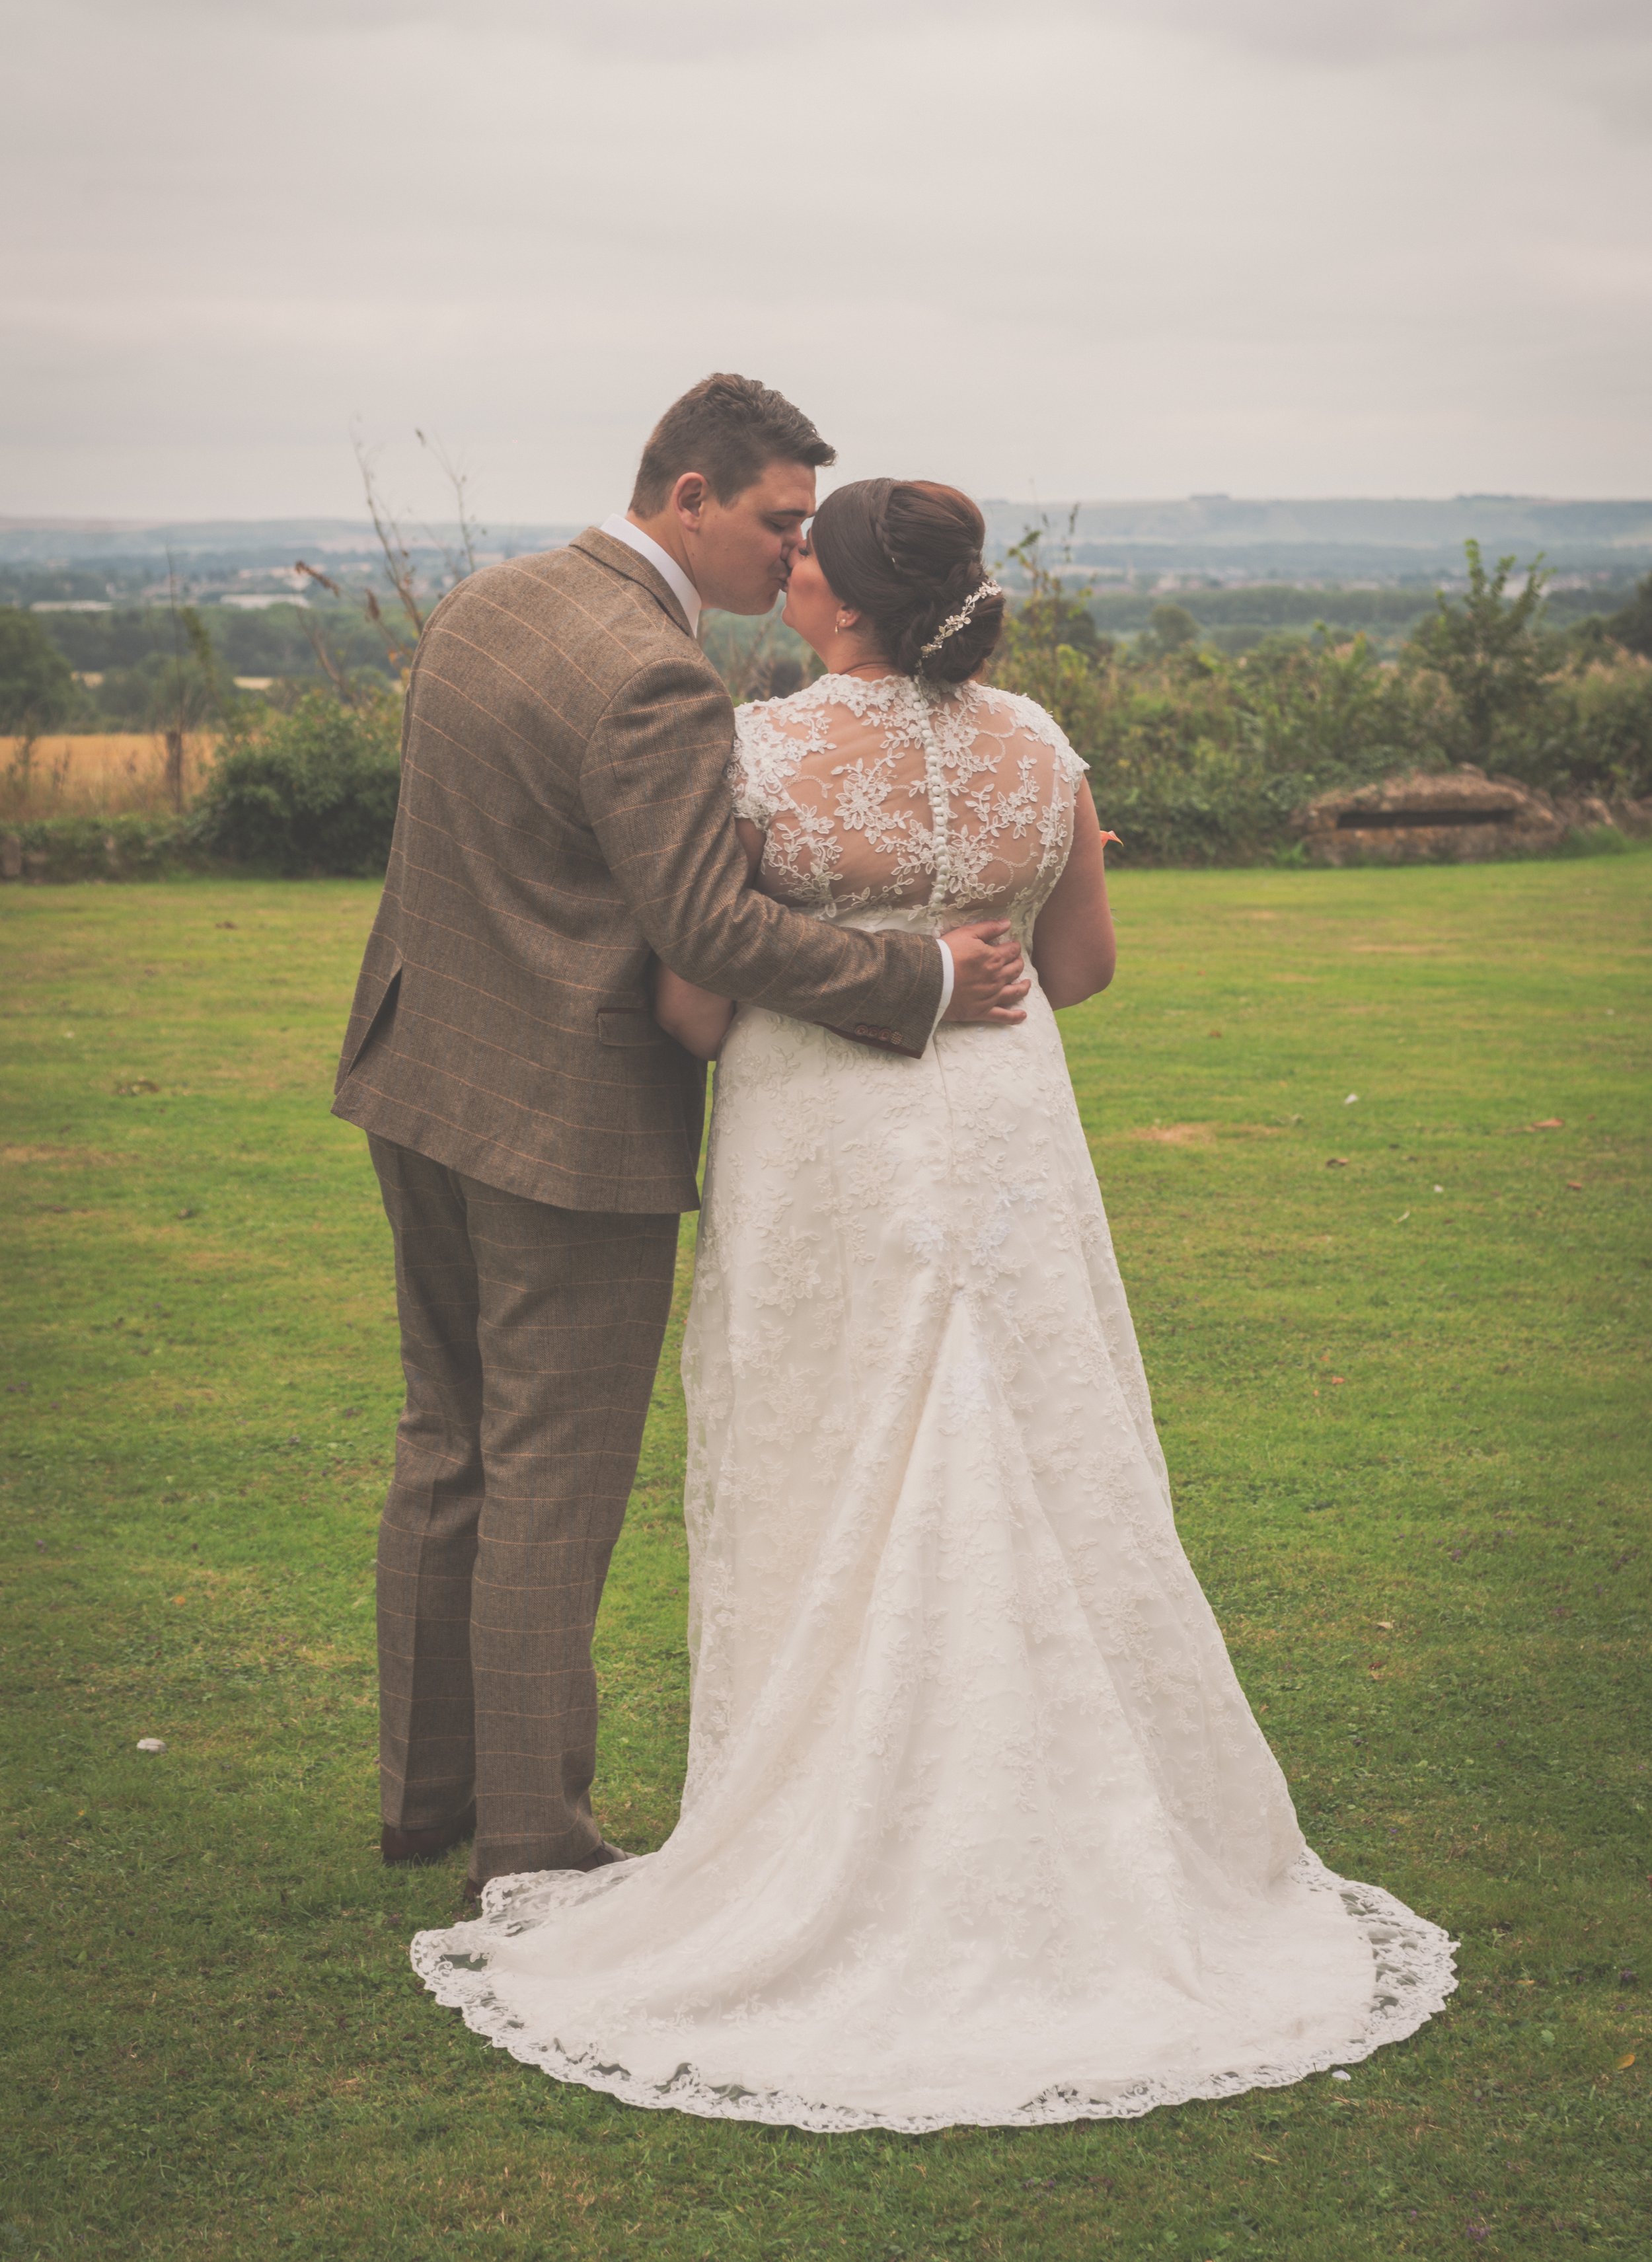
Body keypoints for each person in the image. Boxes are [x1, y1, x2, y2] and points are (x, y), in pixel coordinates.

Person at [409, 477, 1456, 2131]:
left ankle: (832, 1831)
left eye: (806, 553)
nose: (790, 558)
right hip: (1001, 1140)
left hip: (828, 1149)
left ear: (831, 599)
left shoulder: (762, 753)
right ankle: (1078, 1837)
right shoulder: (1038, 745)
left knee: (832, 1465)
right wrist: (985, 940)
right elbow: (1087, 965)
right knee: (1044, 1449)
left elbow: (690, 1006)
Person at [333, 381, 1030, 1901]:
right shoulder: (656, 682)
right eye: (780, 521)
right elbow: (708, 924)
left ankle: (425, 1795)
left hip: (417, 1072)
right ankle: (530, 1839)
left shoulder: (489, 606)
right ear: (690, 494)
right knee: (549, 1474)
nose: (796, 556)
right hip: (559, 1121)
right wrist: (920, 973)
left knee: (445, 1441)